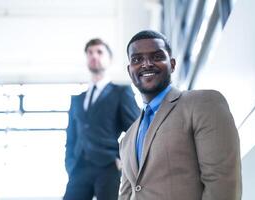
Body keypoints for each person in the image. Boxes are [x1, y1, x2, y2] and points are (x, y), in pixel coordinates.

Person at [118, 30, 242, 200]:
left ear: (173, 64)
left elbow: (222, 183)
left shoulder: (203, 103)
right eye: (137, 59)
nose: (146, 64)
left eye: (156, 57)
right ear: (129, 70)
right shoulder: (128, 137)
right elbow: (126, 195)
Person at [64, 38, 140, 200]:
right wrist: (70, 163)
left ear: (109, 59)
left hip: (108, 166)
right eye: (90, 53)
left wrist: (122, 159)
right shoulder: (78, 100)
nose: (94, 56)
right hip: (78, 167)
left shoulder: (120, 92)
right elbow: (71, 136)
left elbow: (136, 129)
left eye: (99, 52)